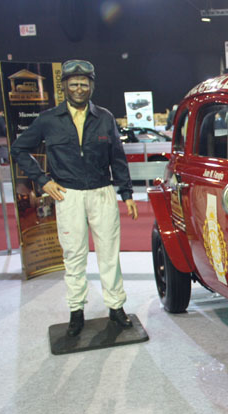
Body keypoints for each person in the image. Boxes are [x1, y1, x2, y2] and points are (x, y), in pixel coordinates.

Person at [11, 59, 138, 338]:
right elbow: (19, 149)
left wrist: (126, 193)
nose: (79, 88)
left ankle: (116, 308)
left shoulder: (104, 117)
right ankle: (76, 311)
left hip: (102, 193)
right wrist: (44, 182)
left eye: (84, 83)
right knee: (74, 256)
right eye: (74, 84)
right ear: (65, 86)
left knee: (109, 254)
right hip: (68, 195)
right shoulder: (48, 120)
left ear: (91, 86)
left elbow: (117, 157)